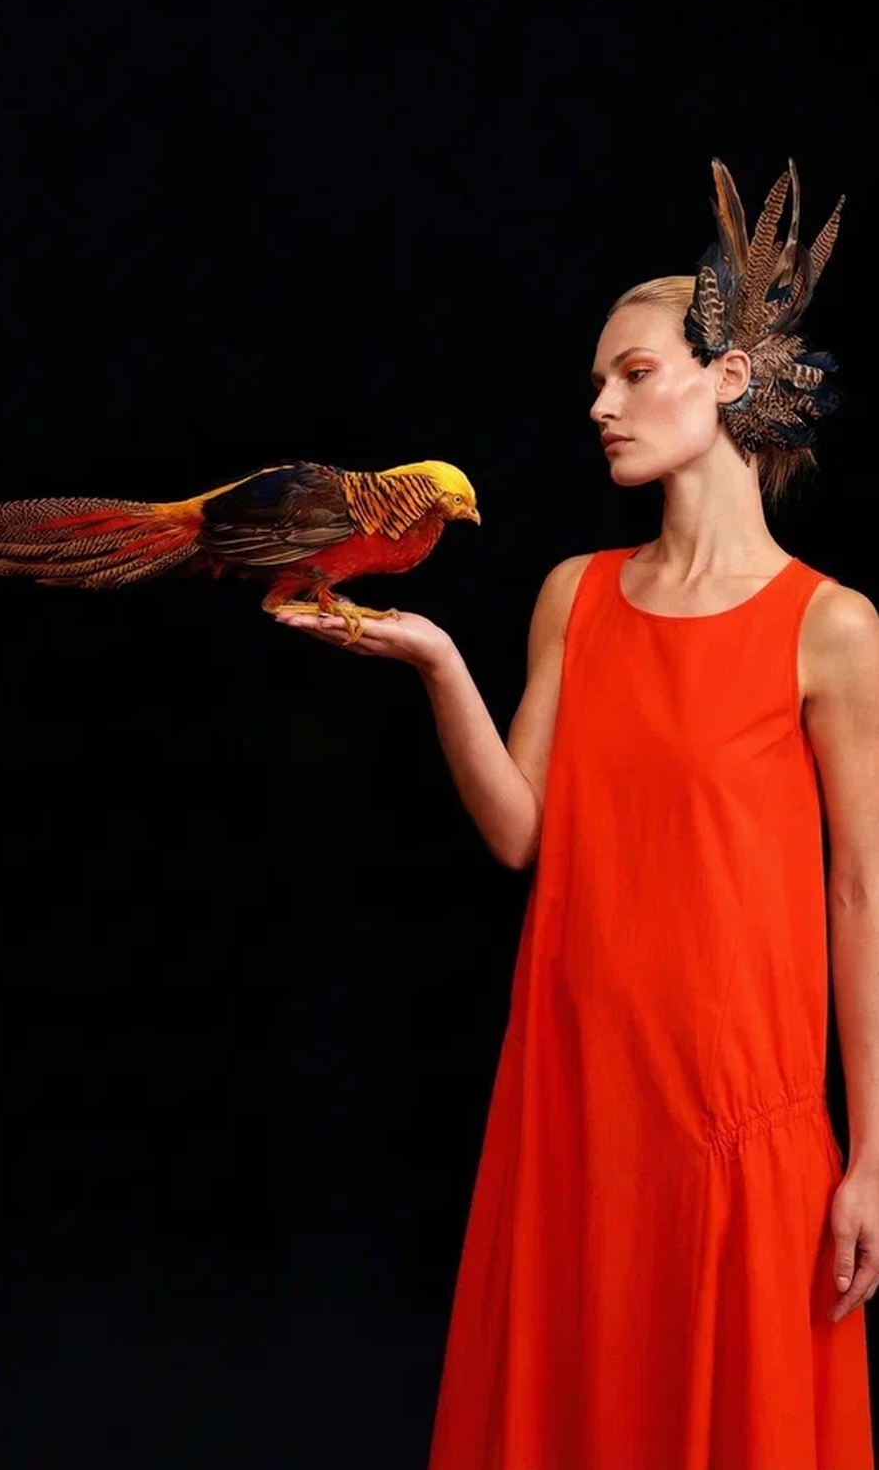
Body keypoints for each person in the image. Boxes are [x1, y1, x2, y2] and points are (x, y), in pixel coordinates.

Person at [274, 158, 878, 1467]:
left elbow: (859, 895)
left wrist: (870, 1159)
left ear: (727, 377)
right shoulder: (576, 594)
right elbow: (520, 834)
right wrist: (440, 660)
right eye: (598, 381)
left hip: (737, 1116)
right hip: (581, 1101)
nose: (600, 404)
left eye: (633, 373)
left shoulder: (829, 625)